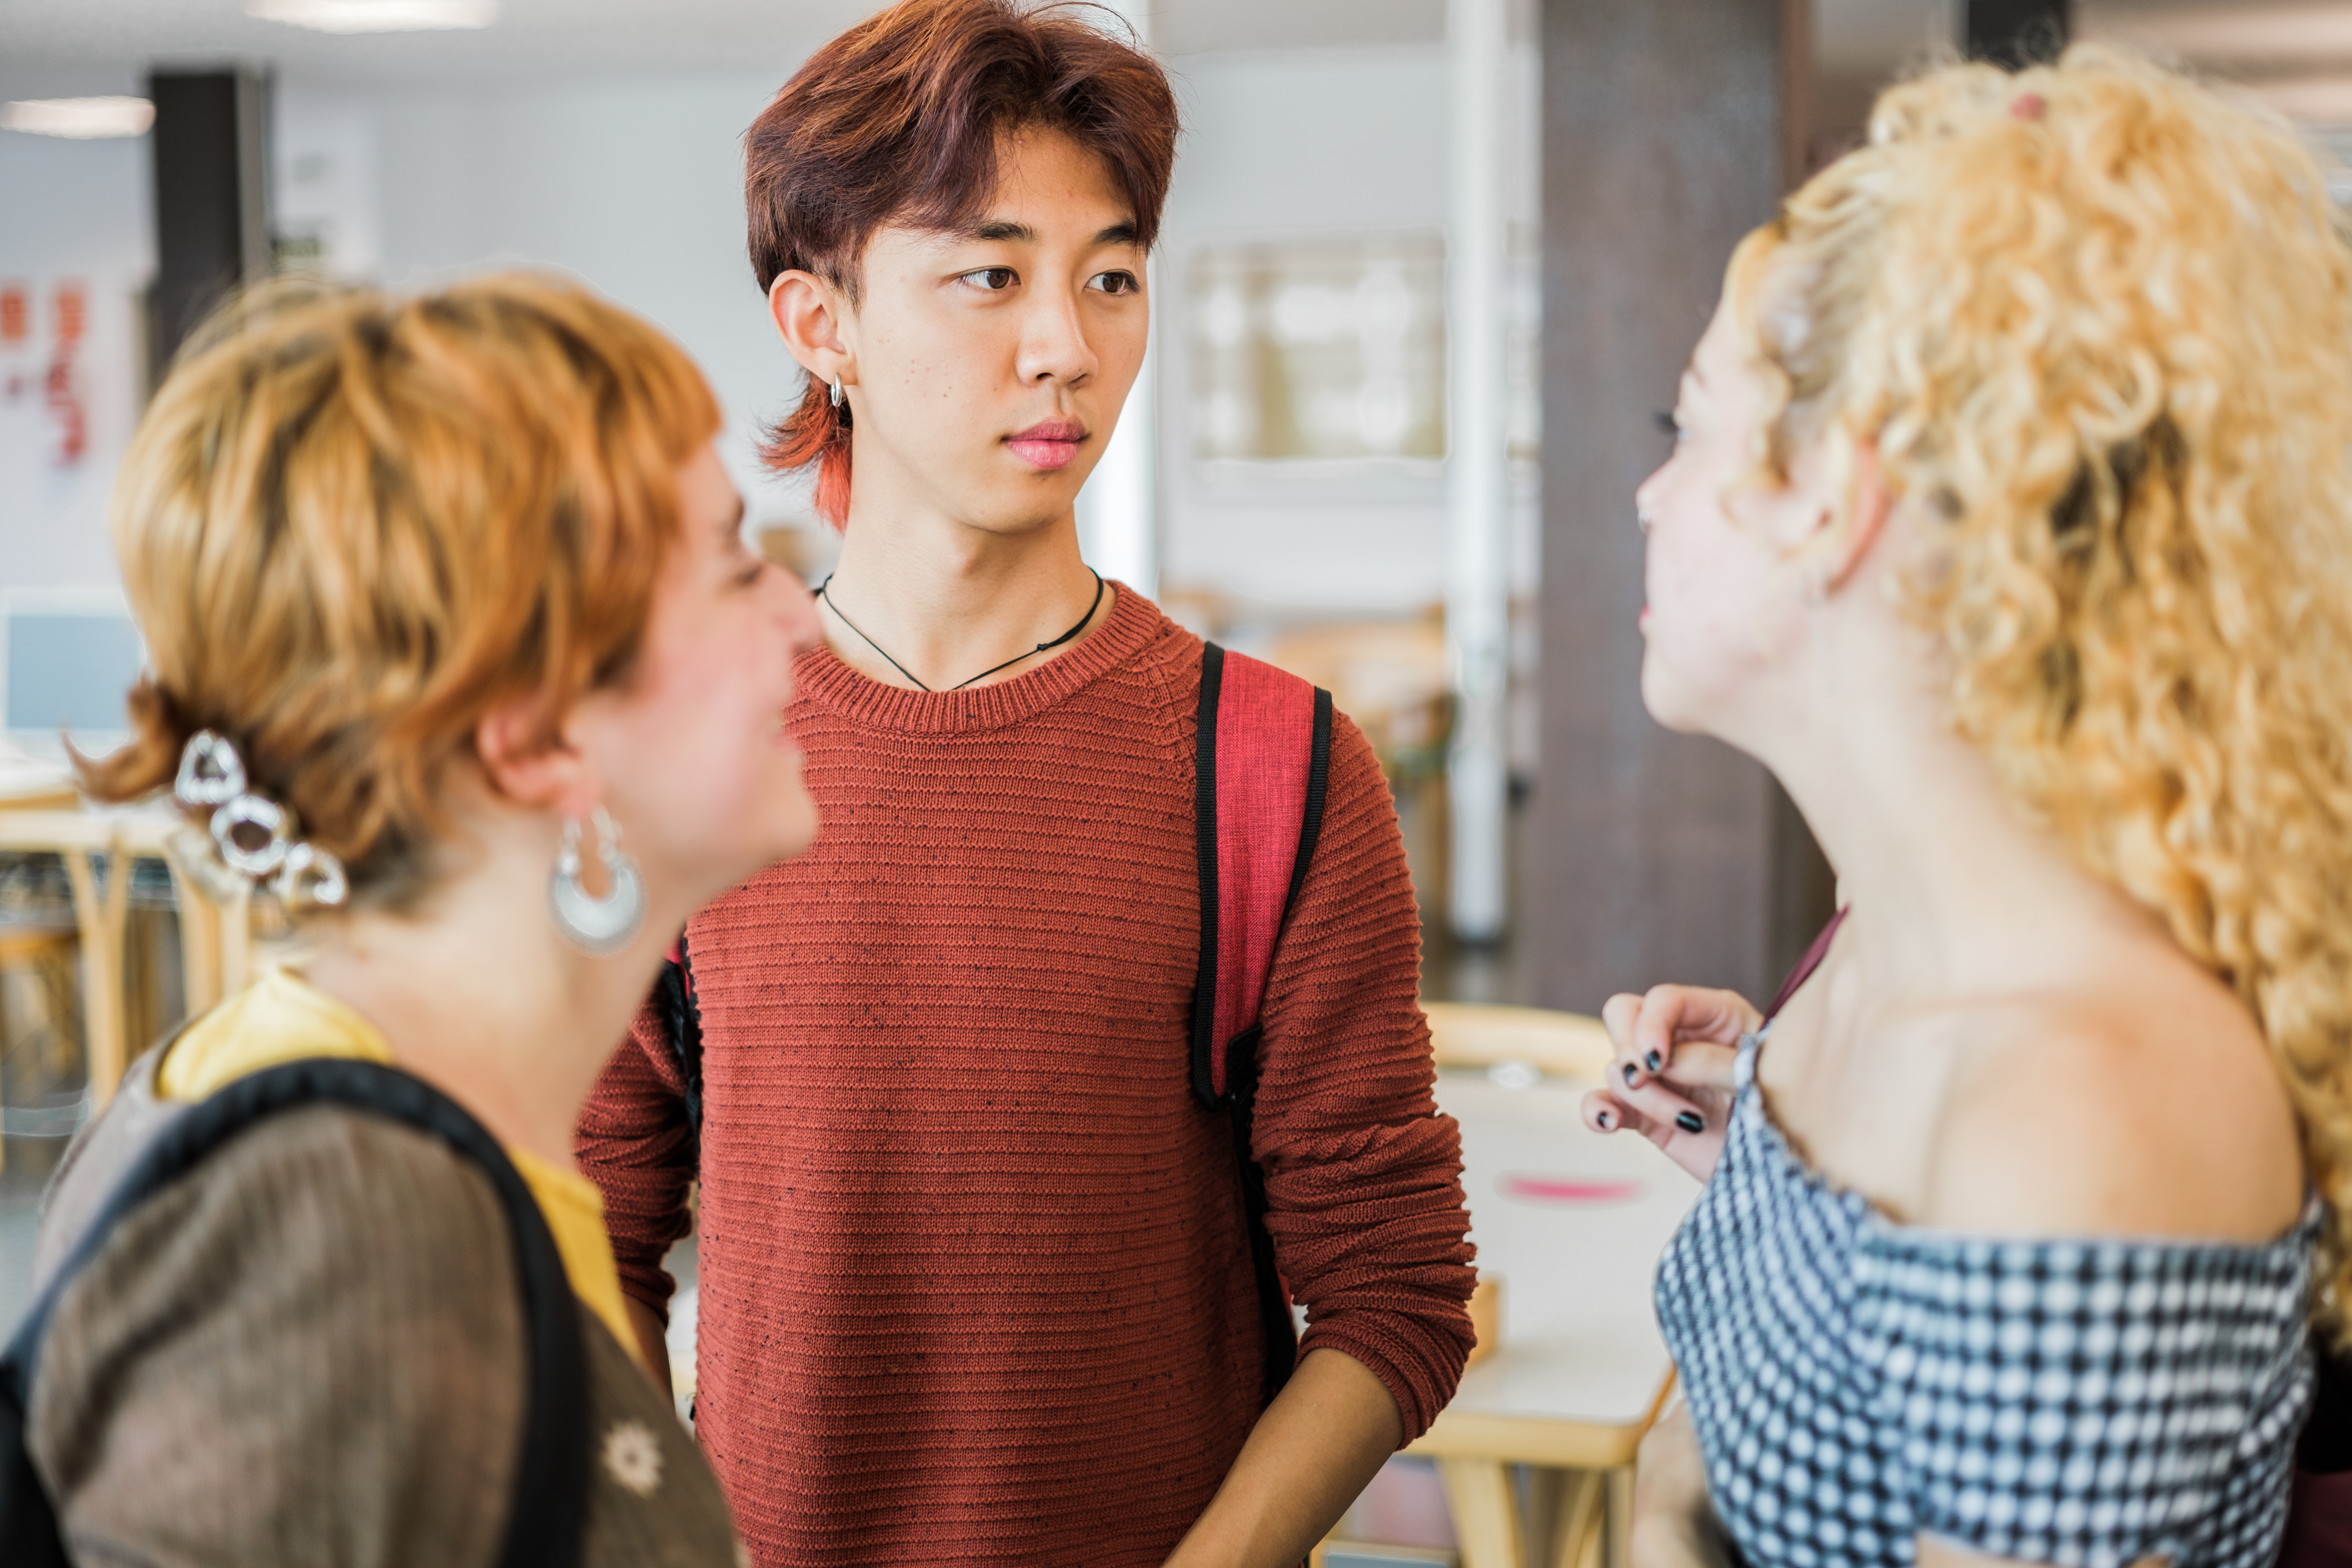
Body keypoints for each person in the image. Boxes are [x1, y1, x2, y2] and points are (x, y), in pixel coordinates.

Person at [573, 2, 1478, 1564]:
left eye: (1111, 275)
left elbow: (1393, 1289)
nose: (1067, 341)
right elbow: (597, 1215)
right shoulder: (671, 753)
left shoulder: (1270, 761)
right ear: (821, 322)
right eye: (988, 273)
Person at [1579, 47, 2342, 1568]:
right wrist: (1778, 1184)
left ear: (1835, 495)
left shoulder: (2080, 1105)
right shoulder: (1880, 949)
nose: (1650, 499)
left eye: (1693, 430)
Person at [31, 274, 822, 1564]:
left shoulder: (431, 1139)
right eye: (734, 568)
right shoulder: (332, 1219)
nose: (798, 613)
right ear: (534, 740)